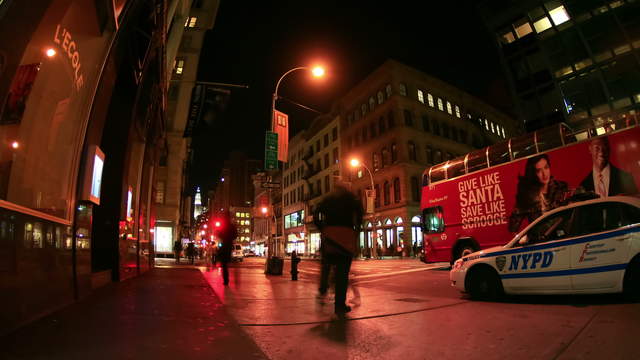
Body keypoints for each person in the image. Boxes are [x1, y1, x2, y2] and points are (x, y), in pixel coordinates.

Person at [313, 185, 364, 315]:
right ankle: (339, 305)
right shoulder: (352, 199)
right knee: (342, 274)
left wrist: (322, 227)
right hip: (346, 236)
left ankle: (323, 289)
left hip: (329, 235)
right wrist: (356, 231)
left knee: (326, 265)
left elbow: (316, 213)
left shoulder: (328, 199)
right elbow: (360, 215)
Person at [509, 154, 569, 233]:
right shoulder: (527, 195)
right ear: (532, 173)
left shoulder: (561, 187)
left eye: (546, 167)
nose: (544, 174)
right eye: (538, 171)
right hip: (540, 239)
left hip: (562, 235)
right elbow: (513, 227)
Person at [215, 211, 238, 285]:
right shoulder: (232, 226)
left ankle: (226, 280)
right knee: (226, 263)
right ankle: (227, 279)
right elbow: (235, 235)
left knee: (224, 264)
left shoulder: (223, 226)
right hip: (229, 245)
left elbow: (219, 234)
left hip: (224, 244)